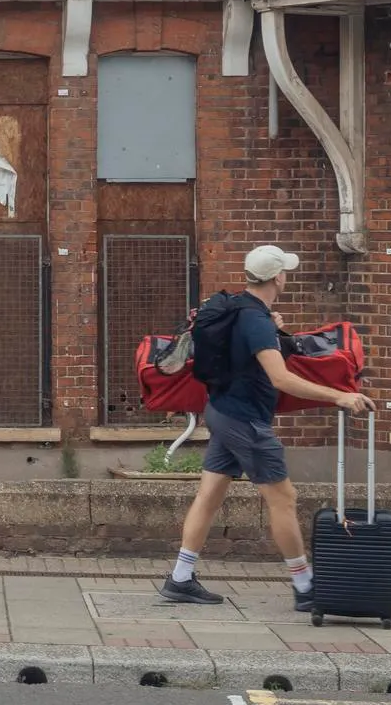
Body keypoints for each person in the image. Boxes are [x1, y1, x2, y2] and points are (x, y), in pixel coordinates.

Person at [158, 243, 373, 612]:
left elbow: (247, 357)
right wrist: (339, 396)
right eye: (285, 271)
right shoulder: (256, 321)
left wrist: (275, 331)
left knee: (209, 496)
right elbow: (281, 379)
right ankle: (305, 587)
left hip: (221, 409)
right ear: (277, 278)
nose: (286, 276)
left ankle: (180, 578)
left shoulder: (241, 309)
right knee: (283, 499)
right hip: (244, 421)